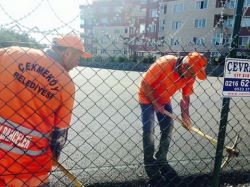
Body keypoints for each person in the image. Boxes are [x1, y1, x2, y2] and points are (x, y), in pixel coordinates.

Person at [0, 34, 92, 187]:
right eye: (77, 57)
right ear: (67, 52)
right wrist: (54, 155)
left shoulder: (12, 54)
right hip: (29, 165)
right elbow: (60, 133)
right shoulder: (66, 84)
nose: (77, 63)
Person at [138, 52, 208, 187]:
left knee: (168, 126)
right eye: (192, 72)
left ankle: (161, 158)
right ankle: (149, 161)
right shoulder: (165, 63)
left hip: (164, 99)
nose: (193, 77)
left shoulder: (190, 76)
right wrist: (156, 103)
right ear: (185, 65)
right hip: (146, 96)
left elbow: (185, 97)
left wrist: (185, 115)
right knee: (149, 129)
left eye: (195, 74)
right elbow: (145, 83)